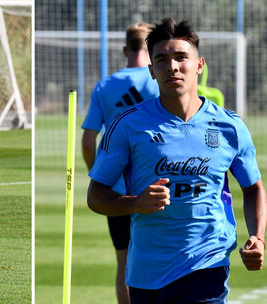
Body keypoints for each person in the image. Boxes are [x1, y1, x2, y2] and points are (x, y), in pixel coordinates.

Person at [87, 17, 266, 304]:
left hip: (208, 264)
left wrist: (258, 236)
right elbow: (96, 196)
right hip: (148, 271)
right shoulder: (128, 125)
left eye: (181, 57)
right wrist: (136, 203)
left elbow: (254, 188)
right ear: (152, 70)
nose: (172, 66)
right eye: (162, 59)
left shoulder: (230, 126)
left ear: (199, 65)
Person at [81, 22, 159, 304]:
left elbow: (88, 141)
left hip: (117, 191)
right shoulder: (160, 80)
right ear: (151, 51)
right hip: (158, 183)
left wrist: (100, 178)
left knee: (124, 263)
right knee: (166, 260)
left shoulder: (105, 86)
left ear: (125, 49)